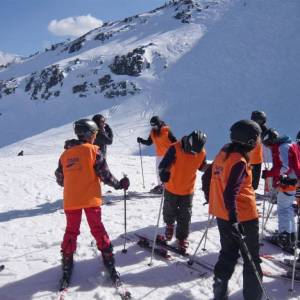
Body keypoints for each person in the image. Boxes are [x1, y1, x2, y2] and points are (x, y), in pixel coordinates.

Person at [55, 119, 130, 281]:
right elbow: (105, 175)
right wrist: (119, 185)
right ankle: (108, 257)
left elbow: (60, 179)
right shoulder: (94, 151)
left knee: (71, 230)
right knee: (97, 228)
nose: (95, 137)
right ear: (89, 135)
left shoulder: (64, 155)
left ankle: (67, 260)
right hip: (90, 199)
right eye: (95, 134)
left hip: (71, 200)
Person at [202, 119, 262, 300]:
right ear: (250, 142)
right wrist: (236, 219)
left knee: (227, 254)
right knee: (251, 260)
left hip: (223, 215)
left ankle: (219, 294)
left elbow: (207, 177)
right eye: (257, 138)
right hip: (244, 217)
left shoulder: (224, 152)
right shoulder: (240, 161)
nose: (259, 141)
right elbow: (230, 193)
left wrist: (212, 199)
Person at [158, 130, 207, 253]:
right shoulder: (175, 148)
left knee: (185, 215)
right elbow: (164, 164)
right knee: (169, 210)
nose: (192, 153)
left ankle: (181, 238)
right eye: (190, 151)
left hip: (188, 189)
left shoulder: (201, 152)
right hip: (172, 187)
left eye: (195, 152)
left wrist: (213, 169)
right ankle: (169, 226)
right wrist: (164, 172)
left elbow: (201, 166)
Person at [261, 129, 300, 249]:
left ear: (271, 140)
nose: (267, 147)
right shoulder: (286, 145)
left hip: (288, 181)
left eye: (267, 143)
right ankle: (291, 235)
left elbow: (285, 167)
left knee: (283, 208)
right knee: (287, 207)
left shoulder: (282, 147)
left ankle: (284, 236)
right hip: (292, 180)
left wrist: (269, 174)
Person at [137, 116, 177, 194]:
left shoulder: (166, 130)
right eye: (152, 126)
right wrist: (141, 140)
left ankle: (168, 187)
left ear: (158, 124)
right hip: (159, 155)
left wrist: (176, 151)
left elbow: (174, 141)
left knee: (167, 170)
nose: (153, 127)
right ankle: (161, 186)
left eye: (155, 126)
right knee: (158, 171)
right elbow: (149, 142)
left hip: (168, 154)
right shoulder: (153, 132)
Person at [249, 111, 268, 191]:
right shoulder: (249, 127)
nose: (260, 123)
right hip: (248, 159)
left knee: (255, 183)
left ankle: (251, 192)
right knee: (247, 180)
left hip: (257, 159)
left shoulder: (264, 129)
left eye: (262, 121)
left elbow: (266, 140)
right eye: (259, 120)